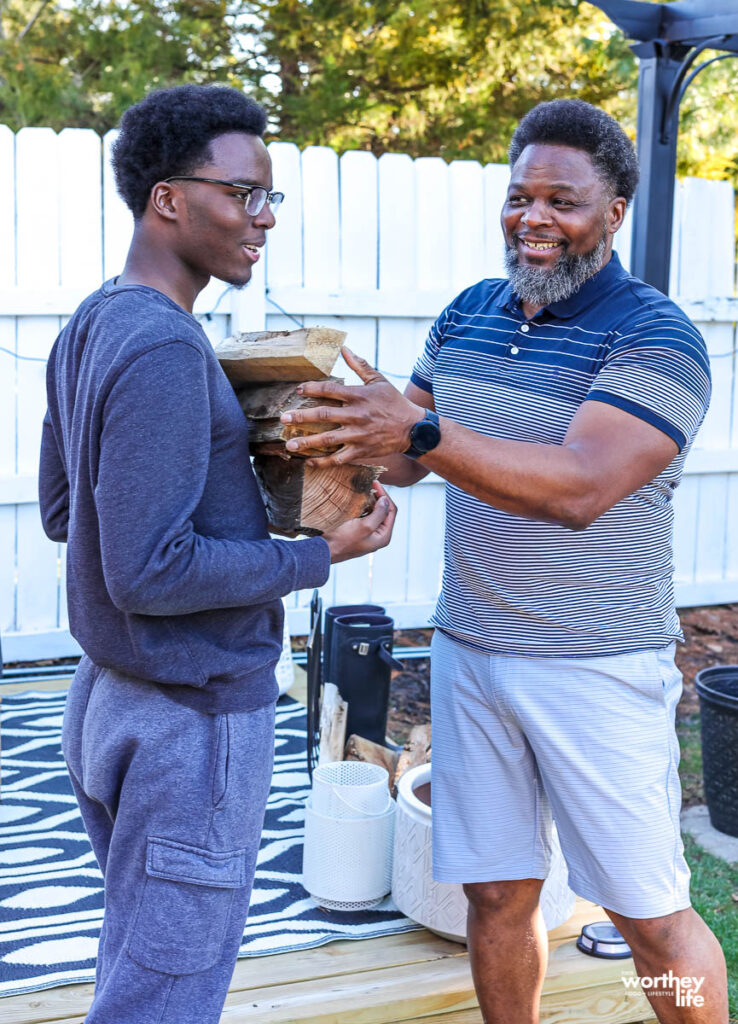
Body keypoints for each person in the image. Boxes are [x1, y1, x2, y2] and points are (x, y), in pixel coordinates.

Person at [278, 99, 728, 1023]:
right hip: (472, 652)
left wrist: (423, 429)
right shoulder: (469, 315)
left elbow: (579, 486)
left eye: (561, 201)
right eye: (520, 196)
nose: (533, 219)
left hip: (595, 668)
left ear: (613, 211)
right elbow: (411, 449)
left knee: (649, 917)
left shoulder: (658, 337)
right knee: (496, 893)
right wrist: (335, 426)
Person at [38, 84, 396, 1024]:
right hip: (186, 727)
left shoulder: (92, 322)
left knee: (136, 966)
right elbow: (147, 571)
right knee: (166, 999)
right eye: (245, 194)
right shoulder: (163, 349)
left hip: (110, 700)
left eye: (270, 197)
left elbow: (63, 510)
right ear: (169, 198)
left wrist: (236, 481)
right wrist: (319, 556)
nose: (263, 218)